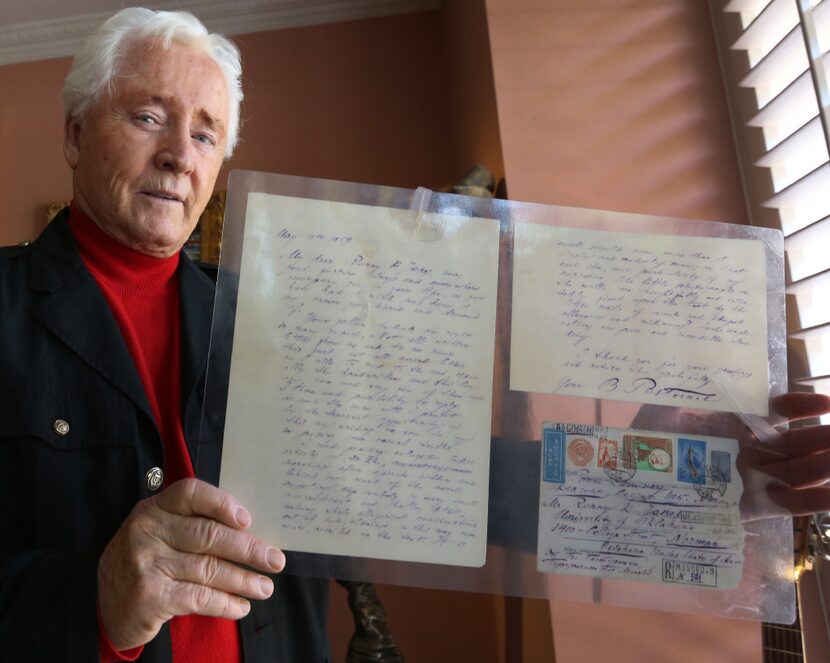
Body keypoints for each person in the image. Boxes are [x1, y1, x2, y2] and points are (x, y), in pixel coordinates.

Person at [0, 8, 328, 662]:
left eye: (206, 136)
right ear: (74, 134)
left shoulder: (284, 324)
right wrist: (94, 596)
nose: (180, 155)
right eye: (149, 118)